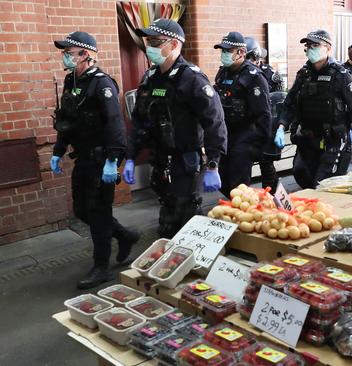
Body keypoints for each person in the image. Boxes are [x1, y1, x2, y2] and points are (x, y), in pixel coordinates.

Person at [123, 19, 227, 238]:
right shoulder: (151, 78)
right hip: (160, 157)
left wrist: (213, 165)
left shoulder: (192, 79)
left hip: (186, 158)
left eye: (156, 41)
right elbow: (140, 120)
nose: (150, 46)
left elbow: (214, 122)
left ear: (174, 45)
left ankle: (194, 260)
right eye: (148, 41)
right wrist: (131, 157)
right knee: (168, 211)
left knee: (186, 213)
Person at [51, 31, 139, 289]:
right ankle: (124, 235)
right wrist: (58, 149)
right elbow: (66, 120)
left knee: (99, 213)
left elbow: (115, 125)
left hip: (102, 160)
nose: (65, 56)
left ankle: (102, 267)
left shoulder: (102, 84)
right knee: (82, 210)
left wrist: (113, 160)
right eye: (64, 52)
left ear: (86, 54)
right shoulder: (72, 81)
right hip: (84, 159)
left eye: (70, 52)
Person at [276, 30, 352, 187]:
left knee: (324, 185)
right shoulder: (304, 74)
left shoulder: (341, 75)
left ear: (328, 48)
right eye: (308, 46)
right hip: (308, 141)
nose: (310, 49)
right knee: (301, 176)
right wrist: (281, 127)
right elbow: (290, 103)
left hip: (334, 142)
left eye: (315, 45)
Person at [213, 32, 272, 195]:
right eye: (222, 51)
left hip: (245, 136)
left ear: (241, 53)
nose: (224, 54)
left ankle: (242, 215)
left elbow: (264, 115)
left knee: (238, 186)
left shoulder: (254, 76)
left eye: (227, 51)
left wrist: (258, 146)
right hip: (226, 135)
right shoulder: (223, 73)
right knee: (223, 181)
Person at [245, 37, 282, 193]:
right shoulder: (241, 72)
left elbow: (278, 98)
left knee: (266, 162)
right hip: (247, 122)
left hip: (266, 122)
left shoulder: (269, 73)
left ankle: (272, 193)